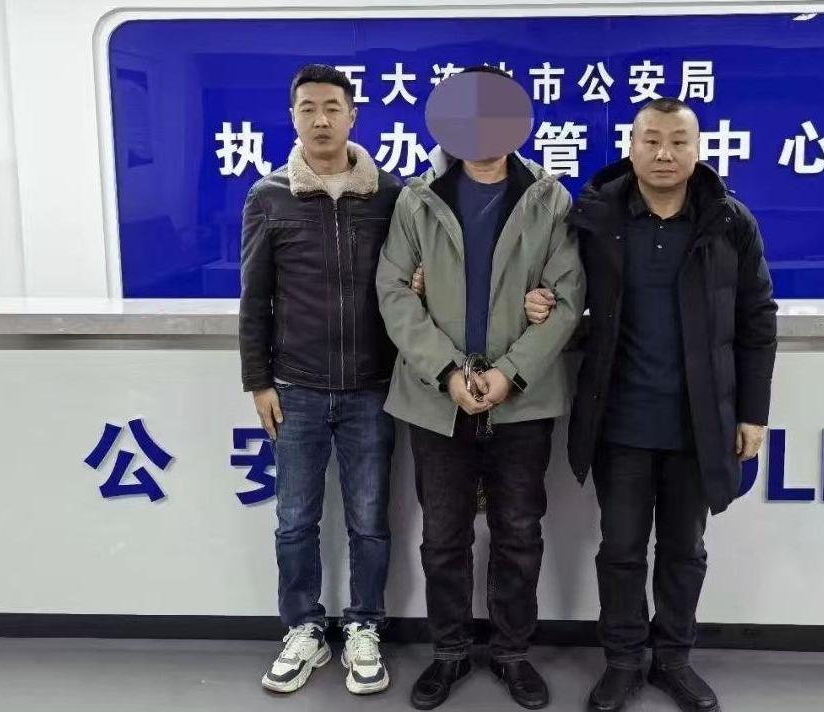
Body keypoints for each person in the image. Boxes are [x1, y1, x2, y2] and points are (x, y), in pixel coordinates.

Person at [532, 97, 777, 712]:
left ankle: (673, 659)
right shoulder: (595, 216)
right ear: (632, 146)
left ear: (697, 149)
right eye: (652, 141)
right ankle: (622, 661)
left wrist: (753, 412)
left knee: (684, 550)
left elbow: (757, 319)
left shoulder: (728, 221)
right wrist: (538, 300)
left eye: (678, 141)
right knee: (620, 549)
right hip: (620, 419)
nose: (665, 154)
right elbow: (551, 283)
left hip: (700, 420)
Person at [376, 65, 585, 711]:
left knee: (518, 531)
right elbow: (393, 293)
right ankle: (448, 652)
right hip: (433, 399)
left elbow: (568, 296)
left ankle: (512, 652)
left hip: (522, 400)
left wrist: (508, 374)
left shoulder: (549, 199)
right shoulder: (416, 200)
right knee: (443, 536)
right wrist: (446, 372)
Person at [238, 63, 401, 696]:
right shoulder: (269, 197)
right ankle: (303, 628)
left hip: (372, 388)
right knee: (294, 521)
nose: (321, 119)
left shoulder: (388, 195)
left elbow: (410, 281)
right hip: (296, 388)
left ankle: (365, 626)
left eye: (332, 107)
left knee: (369, 521)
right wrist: (259, 382)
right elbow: (254, 299)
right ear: (293, 117)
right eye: (308, 108)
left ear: (353, 115)